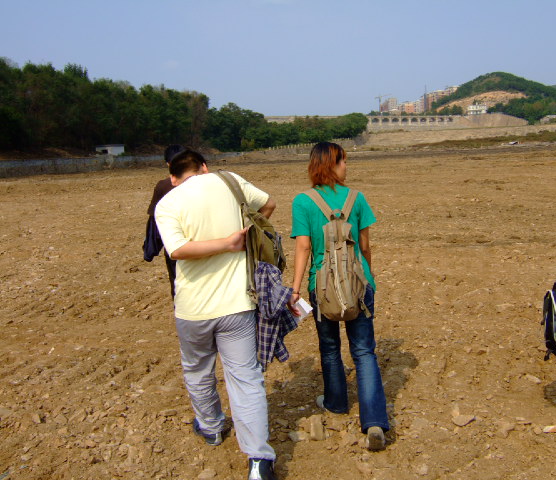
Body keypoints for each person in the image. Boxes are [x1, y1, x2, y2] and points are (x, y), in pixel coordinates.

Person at [155, 149, 278, 480]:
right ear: (204, 167)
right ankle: (259, 460)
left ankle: (210, 427)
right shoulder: (230, 181)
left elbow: (177, 250)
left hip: (192, 307)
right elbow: (268, 204)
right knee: (246, 378)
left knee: (197, 369)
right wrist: (241, 236)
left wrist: (223, 243)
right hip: (237, 303)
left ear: (172, 177)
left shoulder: (168, 202)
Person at [289, 141, 389, 450]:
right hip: (358, 284)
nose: (346, 166)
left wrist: (295, 288)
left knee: (330, 348)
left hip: (322, 287)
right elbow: (365, 246)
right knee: (364, 352)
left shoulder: (303, 201)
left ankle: (336, 403)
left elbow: (303, 247)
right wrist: (369, 277)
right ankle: (374, 421)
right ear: (331, 164)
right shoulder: (357, 198)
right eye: (343, 161)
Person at [144, 144, 198, 298]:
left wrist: (150, 250)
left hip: (176, 244)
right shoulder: (208, 182)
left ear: (168, 164)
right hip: (206, 240)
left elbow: (155, 222)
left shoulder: (163, 186)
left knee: (179, 284)